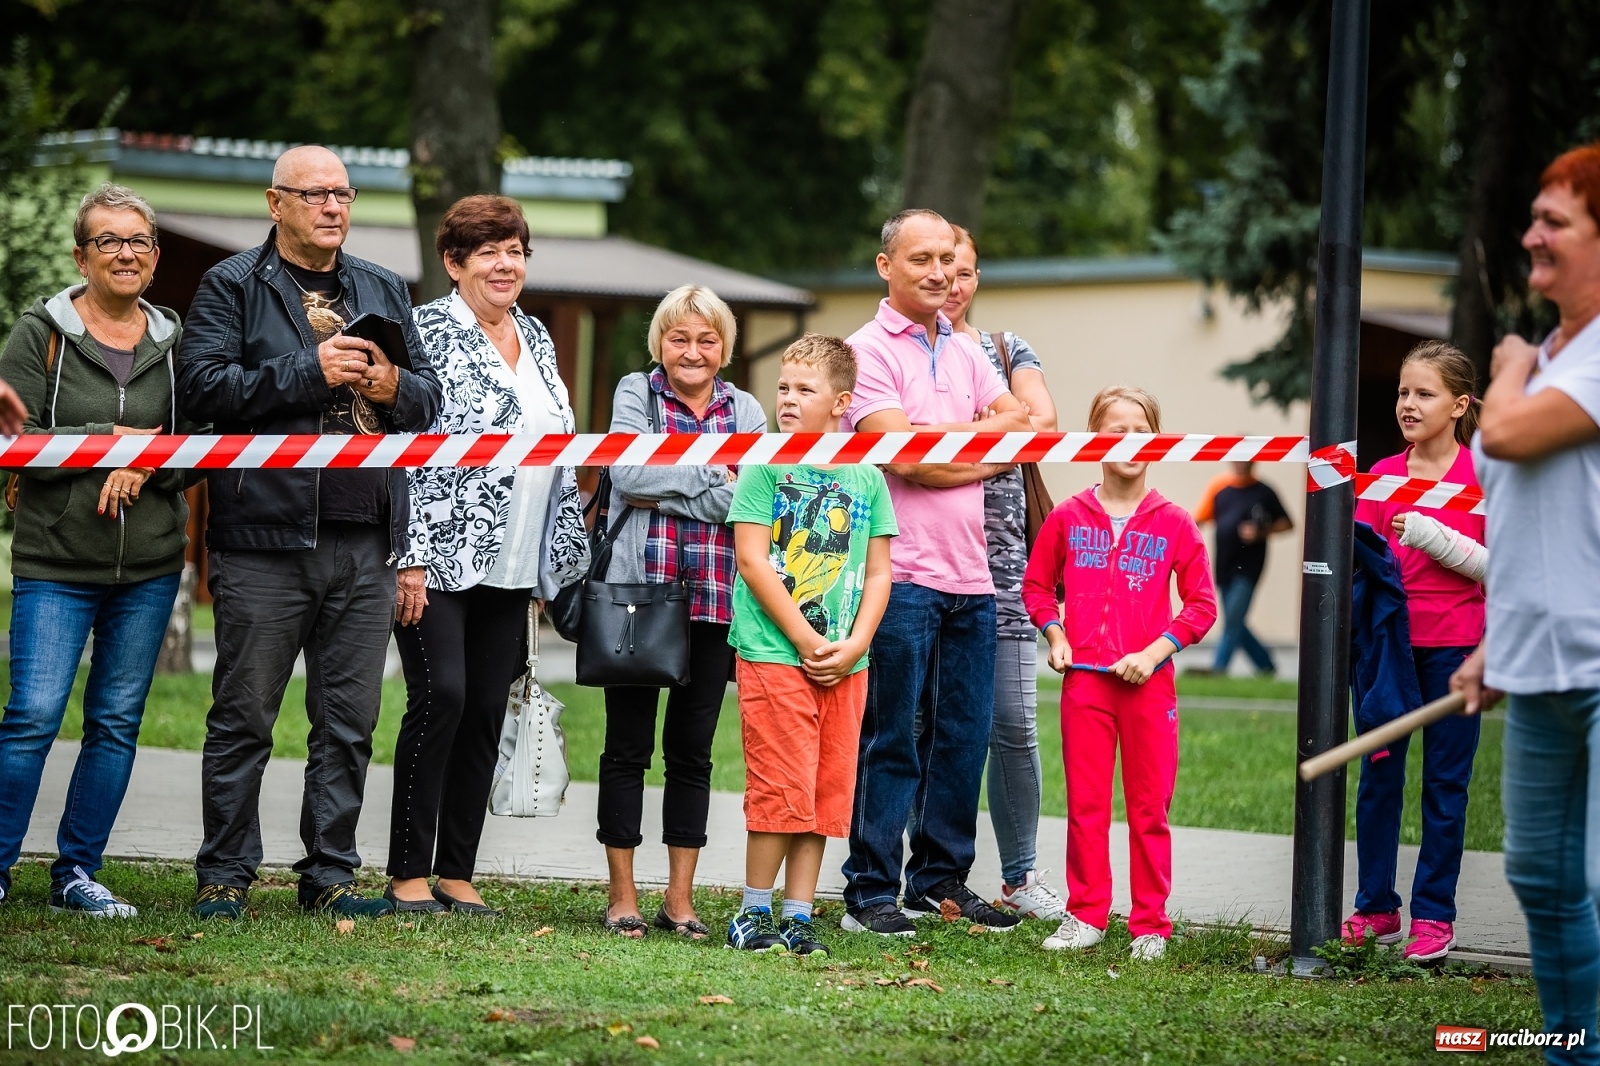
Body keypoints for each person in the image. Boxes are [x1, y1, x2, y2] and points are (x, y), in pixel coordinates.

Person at [177, 145, 441, 921]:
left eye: (343, 194)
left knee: (349, 723)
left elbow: (428, 402)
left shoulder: (383, 286)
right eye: (316, 194)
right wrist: (308, 370)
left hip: (366, 539)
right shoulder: (232, 284)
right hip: (264, 536)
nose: (333, 206)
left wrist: (391, 384)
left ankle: (329, 876)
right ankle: (225, 874)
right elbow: (202, 389)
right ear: (276, 202)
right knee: (244, 717)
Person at [0, 184, 207, 915]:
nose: (126, 253)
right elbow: (14, 441)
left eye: (139, 241)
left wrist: (145, 462)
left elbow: (197, 446)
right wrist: (109, 443)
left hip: (149, 567)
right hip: (56, 564)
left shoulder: (175, 341)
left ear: (154, 256)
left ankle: (77, 873)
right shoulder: (40, 334)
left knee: (115, 725)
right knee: (32, 717)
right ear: (80, 256)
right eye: (109, 241)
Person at [385, 195, 588, 916]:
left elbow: (555, 440)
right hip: (438, 557)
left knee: (485, 713)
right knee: (442, 697)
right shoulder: (425, 331)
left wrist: (553, 561)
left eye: (516, 252)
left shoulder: (536, 334)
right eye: (489, 252)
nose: (506, 265)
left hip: (516, 558)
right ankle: (407, 872)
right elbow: (402, 447)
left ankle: (456, 871)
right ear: (453, 262)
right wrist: (407, 555)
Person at [840, 208, 1033, 938]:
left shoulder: (964, 347)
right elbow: (909, 460)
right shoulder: (865, 351)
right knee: (892, 735)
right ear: (886, 265)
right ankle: (870, 891)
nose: (938, 272)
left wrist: (949, 449)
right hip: (898, 575)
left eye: (947, 258)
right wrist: (982, 451)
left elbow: (1022, 423)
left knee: (963, 736)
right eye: (921, 258)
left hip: (972, 578)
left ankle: (940, 880)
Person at [1453, 143, 1600, 1064]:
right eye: (1533, 218)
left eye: (1557, 221)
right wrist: (1495, 640)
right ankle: (1573, 1052)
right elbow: (1529, 522)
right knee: (1542, 876)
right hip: (1543, 664)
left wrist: (1506, 361)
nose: (1531, 235)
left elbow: (1502, 432)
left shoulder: (1554, 365)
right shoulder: (1549, 358)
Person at [596, 285, 766, 939]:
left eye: (706, 339)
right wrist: (713, 474)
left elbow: (750, 500)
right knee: (626, 749)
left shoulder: (746, 409)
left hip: (716, 602)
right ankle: (622, 897)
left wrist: (672, 481)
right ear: (659, 343)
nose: (692, 351)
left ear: (724, 347)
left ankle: (679, 900)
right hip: (639, 597)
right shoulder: (635, 394)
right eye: (678, 338)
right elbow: (628, 476)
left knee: (692, 754)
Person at [1023, 386, 1217, 960]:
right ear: (1094, 440)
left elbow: (1201, 606)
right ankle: (1086, 915)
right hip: (1085, 684)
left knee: (1149, 809)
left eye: (1141, 431)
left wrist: (1153, 654)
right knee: (1086, 807)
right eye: (1116, 430)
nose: (1129, 442)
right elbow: (1037, 587)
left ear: (1157, 442)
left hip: (1148, 689)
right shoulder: (1067, 516)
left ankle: (1150, 924)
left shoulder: (1174, 523)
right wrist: (1056, 635)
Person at [724, 334, 896, 957]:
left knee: (823, 791)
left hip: (847, 663)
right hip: (775, 655)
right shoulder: (764, 466)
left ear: (842, 403)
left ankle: (799, 914)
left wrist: (855, 644)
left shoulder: (867, 477)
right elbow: (751, 559)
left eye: (805, 389)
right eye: (783, 388)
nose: (789, 400)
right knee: (781, 786)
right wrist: (805, 639)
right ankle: (753, 912)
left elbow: (879, 572)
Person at [1343, 342, 1486, 961]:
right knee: (1379, 779)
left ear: (1458, 405)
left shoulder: (1483, 478)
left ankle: (1434, 915)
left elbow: (1504, 569)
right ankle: (1376, 907)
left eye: (1425, 394)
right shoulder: (1380, 475)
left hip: (1456, 649)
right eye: (1404, 392)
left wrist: (1438, 537)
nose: (1408, 404)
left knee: (1446, 787)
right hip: (1386, 651)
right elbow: (1363, 566)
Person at [943, 224, 1066, 920]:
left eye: (963, 270)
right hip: (927, 563)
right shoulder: (910, 357)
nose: (951, 283)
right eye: (939, 267)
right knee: (927, 727)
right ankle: (929, 877)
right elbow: (905, 441)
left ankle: (1020, 876)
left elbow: (1041, 424)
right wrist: (1001, 424)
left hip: (1005, 571)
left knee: (1014, 726)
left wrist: (969, 434)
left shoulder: (1005, 348)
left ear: (977, 278)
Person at [1192, 462, 1292, 676]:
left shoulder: (1264, 492)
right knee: (1234, 621)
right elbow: (1198, 519)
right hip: (1224, 564)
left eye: (1245, 461)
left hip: (1249, 567)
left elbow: (1287, 524)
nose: (1240, 464)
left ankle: (1218, 669)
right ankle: (1266, 666)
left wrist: (1261, 532)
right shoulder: (1219, 488)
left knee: (1233, 619)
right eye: (1237, 460)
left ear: (1253, 463)